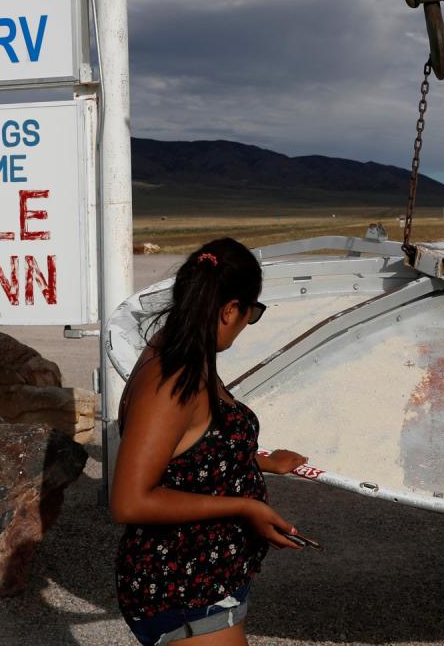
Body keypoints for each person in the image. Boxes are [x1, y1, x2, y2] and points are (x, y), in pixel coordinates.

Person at [111, 237, 309, 646]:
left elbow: (188, 447)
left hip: (204, 582)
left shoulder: (182, 347)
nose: (246, 322)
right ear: (230, 310)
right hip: (182, 591)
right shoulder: (173, 380)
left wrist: (257, 461)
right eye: (251, 313)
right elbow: (130, 500)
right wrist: (245, 506)